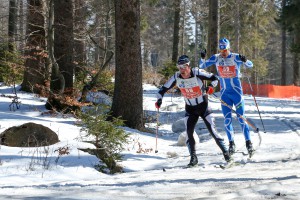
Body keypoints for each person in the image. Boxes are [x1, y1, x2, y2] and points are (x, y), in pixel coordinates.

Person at [155, 55, 232, 167]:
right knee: (189, 133)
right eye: (179, 67)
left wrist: (210, 87)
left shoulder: (197, 72)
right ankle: (193, 158)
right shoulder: (176, 77)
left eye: (183, 66)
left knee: (213, 131)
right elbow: (162, 89)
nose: (181, 69)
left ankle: (227, 154)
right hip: (190, 109)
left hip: (203, 107)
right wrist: (159, 100)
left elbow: (215, 78)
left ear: (188, 66)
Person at [198, 37, 254, 156]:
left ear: (228, 48)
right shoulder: (216, 57)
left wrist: (245, 60)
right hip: (224, 94)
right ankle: (231, 144)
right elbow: (202, 66)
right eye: (221, 50)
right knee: (227, 120)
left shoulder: (235, 57)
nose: (223, 53)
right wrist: (202, 57)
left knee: (241, 118)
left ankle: (248, 143)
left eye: (225, 50)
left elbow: (250, 65)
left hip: (237, 94)